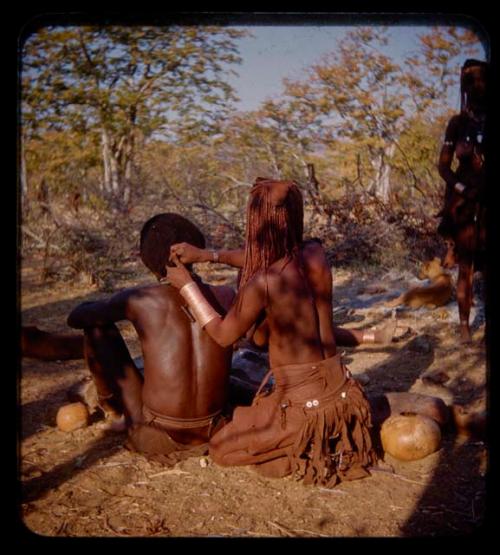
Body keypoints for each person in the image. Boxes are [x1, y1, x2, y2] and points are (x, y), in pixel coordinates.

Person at [166, 179, 377, 488]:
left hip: (305, 408)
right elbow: (261, 255)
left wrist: (186, 286)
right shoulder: (316, 254)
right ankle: (322, 437)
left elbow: (224, 335)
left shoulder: (264, 282)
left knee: (222, 449)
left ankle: (305, 445)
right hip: (342, 394)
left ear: (256, 221)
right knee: (244, 417)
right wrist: (205, 255)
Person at [67, 213, 235, 464]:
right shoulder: (225, 294)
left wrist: (104, 305)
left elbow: (77, 318)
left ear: (149, 257)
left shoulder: (141, 299)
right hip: (214, 427)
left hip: (158, 434)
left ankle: (112, 410)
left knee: (97, 329)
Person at [170, 243, 397, 348]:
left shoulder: (269, 275)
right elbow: (224, 336)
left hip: (265, 333)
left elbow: (223, 335)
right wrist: (204, 260)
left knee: (313, 327)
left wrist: (191, 280)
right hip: (257, 334)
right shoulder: (268, 276)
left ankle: (372, 337)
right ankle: (371, 337)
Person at [437, 58, 487, 343]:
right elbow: (443, 168)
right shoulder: (457, 124)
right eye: (471, 81)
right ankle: (465, 325)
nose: (477, 87)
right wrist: (462, 189)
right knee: (465, 266)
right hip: (465, 205)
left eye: (481, 80)